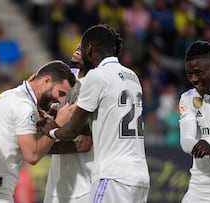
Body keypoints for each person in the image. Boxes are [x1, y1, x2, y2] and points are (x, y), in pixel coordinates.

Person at [41, 24, 150, 202]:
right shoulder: (132, 76)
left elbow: (75, 132)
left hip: (109, 174)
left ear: (89, 49)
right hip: (139, 174)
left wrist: (49, 133)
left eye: (81, 47)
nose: (78, 50)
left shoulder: (97, 78)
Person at [0, 60, 76, 203]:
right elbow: (32, 155)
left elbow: (10, 132)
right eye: (60, 93)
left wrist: (40, 122)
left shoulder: (9, 95)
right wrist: (56, 125)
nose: (60, 100)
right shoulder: (24, 107)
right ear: (46, 81)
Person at [43, 45, 94, 203]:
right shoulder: (66, 77)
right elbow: (43, 114)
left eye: (87, 45)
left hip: (83, 184)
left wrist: (39, 147)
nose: (79, 46)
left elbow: (83, 143)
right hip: (57, 183)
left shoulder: (95, 84)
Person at [179, 40, 210, 203]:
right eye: (189, 74)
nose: (193, 79)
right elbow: (186, 141)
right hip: (198, 192)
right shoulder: (188, 98)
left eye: (198, 73)